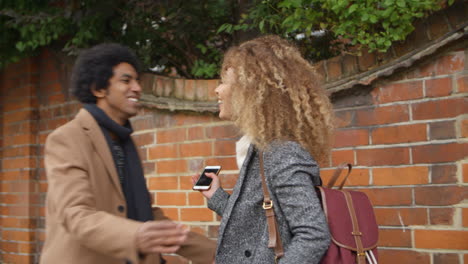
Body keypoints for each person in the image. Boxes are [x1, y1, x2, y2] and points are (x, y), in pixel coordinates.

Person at [40, 43, 216, 264]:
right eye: (126, 80)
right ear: (98, 88)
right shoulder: (67, 138)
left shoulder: (123, 141)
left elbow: (146, 216)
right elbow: (75, 214)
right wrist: (136, 235)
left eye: (137, 80)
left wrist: (215, 253)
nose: (137, 88)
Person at [193, 35, 333, 263]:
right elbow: (257, 226)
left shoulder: (282, 153)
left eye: (225, 82)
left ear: (251, 91)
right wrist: (216, 197)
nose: (218, 90)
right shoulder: (263, 149)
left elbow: (313, 235)